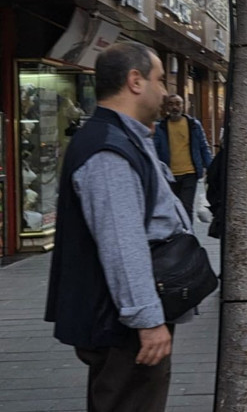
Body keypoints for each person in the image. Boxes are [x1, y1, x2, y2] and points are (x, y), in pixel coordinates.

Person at [45, 42, 189, 411]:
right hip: (122, 327)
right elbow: (122, 243)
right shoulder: (109, 149)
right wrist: (148, 320)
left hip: (121, 320)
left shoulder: (121, 137)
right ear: (135, 81)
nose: (165, 90)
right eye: (159, 80)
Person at [154, 94, 213, 221]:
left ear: (183, 105)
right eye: (171, 104)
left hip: (189, 173)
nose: (175, 107)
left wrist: (211, 168)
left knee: (186, 208)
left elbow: (203, 147)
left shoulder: (193, 125)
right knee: (172, 208)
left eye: (178, 103)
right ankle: (176, 237)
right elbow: (154, 150)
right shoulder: (160, 127)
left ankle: (187, 237)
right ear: (166, 107)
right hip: (169, 175)